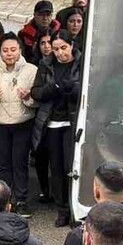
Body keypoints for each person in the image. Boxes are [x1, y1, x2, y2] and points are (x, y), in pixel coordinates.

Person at [0, 34, 39, 216]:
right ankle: (4, 200)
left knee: (20, 162)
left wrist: (28, 97)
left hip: (22, 122)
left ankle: (21, 200)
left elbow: (38, 100)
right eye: (5, 50)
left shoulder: (31, 70)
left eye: (13, 49)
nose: (9, 54)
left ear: (20, 50)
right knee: (2, 164)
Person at [31, 31, 84, 227]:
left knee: (72, 166)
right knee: (57, 168)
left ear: (72, 46)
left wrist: (73, 88)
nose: (60, 53)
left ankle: (74, 209)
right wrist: (51, 88)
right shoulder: (46, 65)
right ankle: (61, 209)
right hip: (52, 122)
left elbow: (89, 87)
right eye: (55, 49)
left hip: (73, 122)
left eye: (63, 48)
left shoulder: (81, 62)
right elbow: (36, 92)